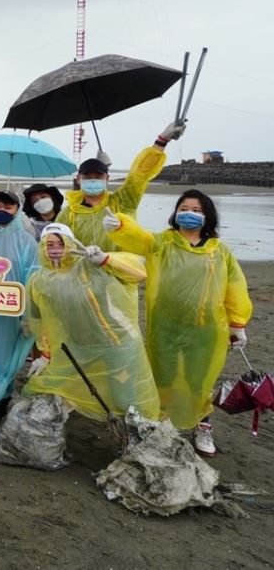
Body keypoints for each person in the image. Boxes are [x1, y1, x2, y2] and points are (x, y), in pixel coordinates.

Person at [108, 190, 253, 455]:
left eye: (196, 210)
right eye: (184, 208)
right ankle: (162, 424)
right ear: (175, 213)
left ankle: (202, 425)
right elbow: (140, 240)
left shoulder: (219, 251)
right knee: (162, 376)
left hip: (205, 329)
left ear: (207, 215)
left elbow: (234, 286)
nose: (189, 213)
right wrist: (120, 225)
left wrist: (237, 323)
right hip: (165, 326)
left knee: (199, 380)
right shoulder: (163, 242)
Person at [22, 223, 159, 421]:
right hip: (76, 347)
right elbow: (39, 319)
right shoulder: (39, 280)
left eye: (61, 244)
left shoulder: (89, 266)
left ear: (71, 243)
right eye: (49, 244)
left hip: (114, 341)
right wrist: (45, 353)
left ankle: (138, 435)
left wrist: (106, 260)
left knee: (126, 399)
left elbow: (138, 273)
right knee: (39, 388)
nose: (55, 250)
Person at [56, 121, 185, 251]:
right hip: (82, 270)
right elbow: (57, 246)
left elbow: (139, 175)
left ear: (107, 179)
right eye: (88, 177)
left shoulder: (123, 202)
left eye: (98, 177)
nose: (93, 181)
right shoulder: (68, 215)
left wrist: (162, 141)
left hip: (120, 269)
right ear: (78, 179)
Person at [0, 191, 39, 419]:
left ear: (17, 210)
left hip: (10, 311)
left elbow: (33, 276)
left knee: (4, 352)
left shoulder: (27, 241)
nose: (1, 210)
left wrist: (28, 313)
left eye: (8, 206)